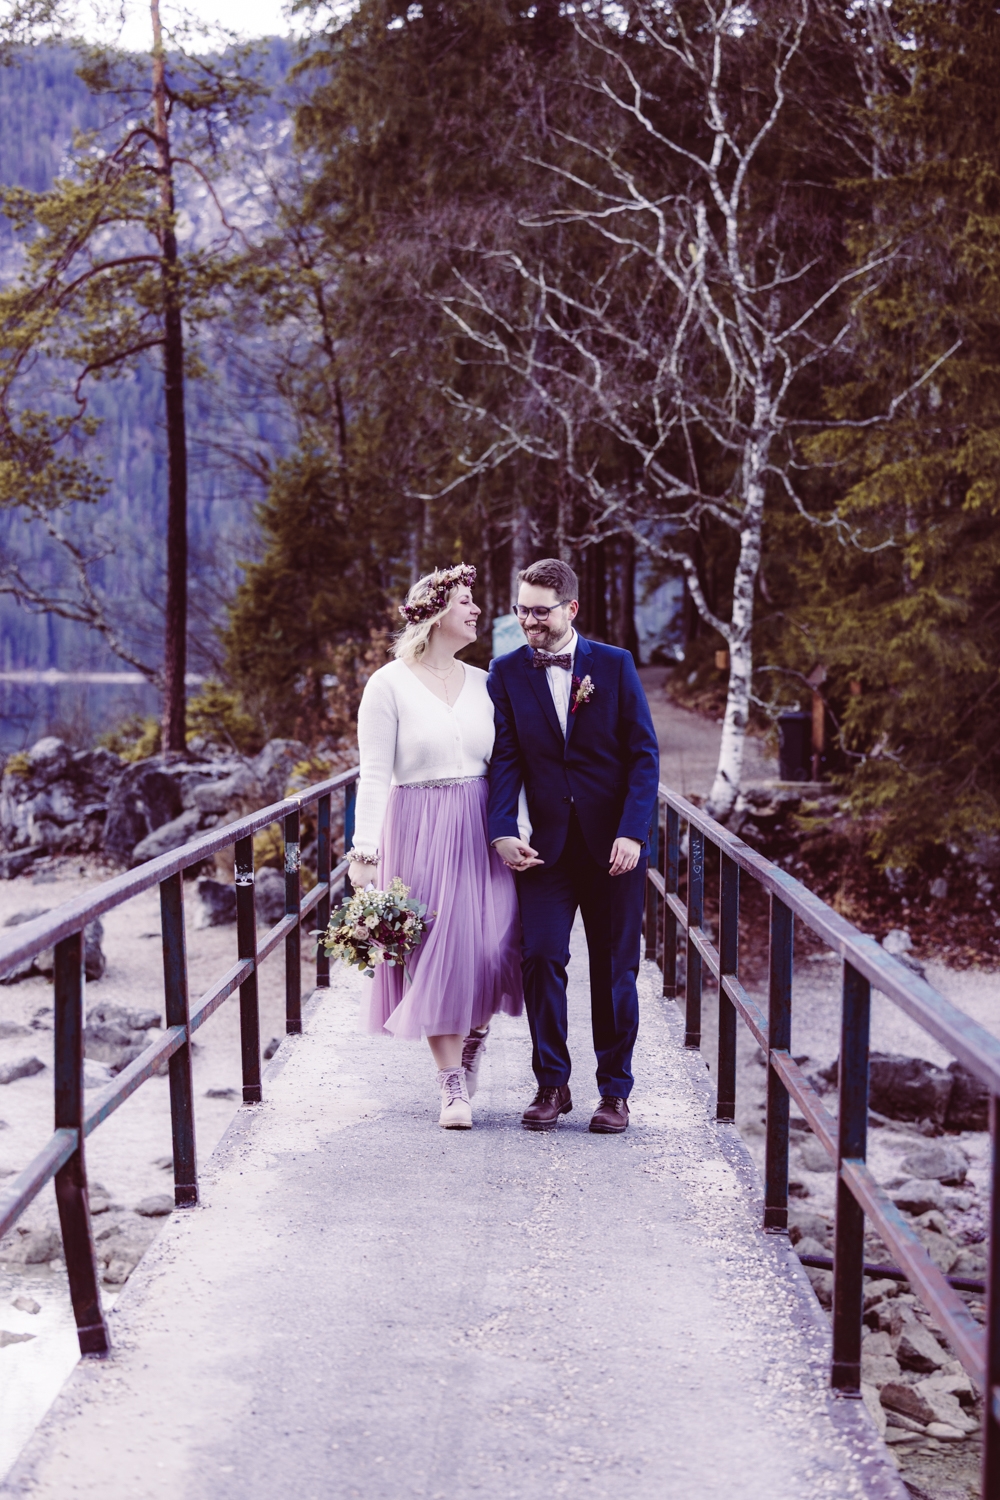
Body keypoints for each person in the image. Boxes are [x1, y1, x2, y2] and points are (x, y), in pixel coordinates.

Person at [487, 558, 660, 1134]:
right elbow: (505, 758)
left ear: (571, 609)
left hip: (614, 849)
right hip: (546, 850)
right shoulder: (506, 672)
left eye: (541, 611)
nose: (529, 622)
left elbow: (643, 755)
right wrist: (503, 829)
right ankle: (552, 1084)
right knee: (539, 957)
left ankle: (614, 1093)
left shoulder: (613, 665)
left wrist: (634, 832)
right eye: (522, 610)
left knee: (615, 970)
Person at [348, 563, 523, 1129]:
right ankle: (451, 1086)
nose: (476, 610)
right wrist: (364, 853)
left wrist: (517, 831)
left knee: (493, 946)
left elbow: (507, 768)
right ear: (435, 612)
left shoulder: (484, 683)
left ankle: (472, 1043)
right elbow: (373, 774)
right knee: (436, 951)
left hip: (479, 824)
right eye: (467, 601)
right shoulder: (388, 683)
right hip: (418, 824)